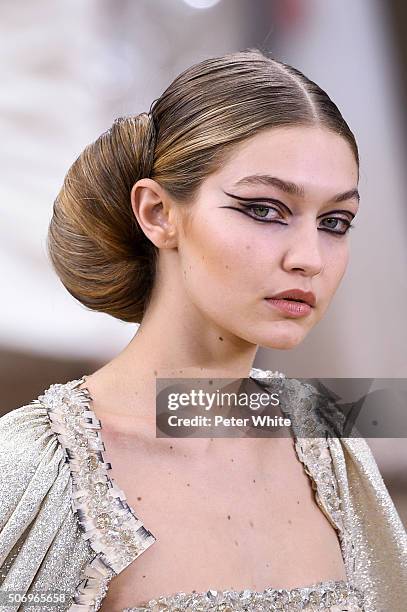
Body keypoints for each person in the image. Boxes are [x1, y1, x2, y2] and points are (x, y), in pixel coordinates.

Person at [0, 48, 406, 612]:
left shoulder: (329, 441)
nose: (310, 257)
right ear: (159, 213)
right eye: (265, 209)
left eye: (335, 222)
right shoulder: (31, 469)